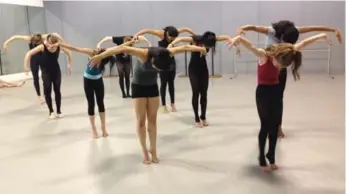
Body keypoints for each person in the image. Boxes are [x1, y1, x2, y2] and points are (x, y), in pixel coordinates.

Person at [228, 33, 332, 172]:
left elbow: (303, 44)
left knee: (275, 127)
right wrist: (239, 39)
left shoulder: (287, 51)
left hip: (276, 92)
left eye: (282, 65)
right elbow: (251, 47)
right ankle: (261, 157)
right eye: (279, 63)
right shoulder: (263, 55)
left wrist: (321, 36)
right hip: (263, 93)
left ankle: (271, 156)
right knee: (265, 126)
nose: (279, 66)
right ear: (276, 55)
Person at [89, 44, 207, 164]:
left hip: (152, 87)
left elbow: (185, 47)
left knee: (152, 120)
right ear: (152, 59)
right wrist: (100, 56)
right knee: (141, 121)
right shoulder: (143, 54)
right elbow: (122, 48)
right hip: (138, 88)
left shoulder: (167, 53)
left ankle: (153, 150)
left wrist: (201, 48)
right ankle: (145, 151)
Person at [236, 20, 343, 138]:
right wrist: (241, 29)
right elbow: (254, 27)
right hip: (267, 65)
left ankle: (278, 127)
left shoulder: (294, 32)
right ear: (281, 36)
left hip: (281, 66)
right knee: (266, 98)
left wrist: (332, 30)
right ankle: (266, 125)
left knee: (278, 98)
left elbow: (312, 28)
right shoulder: (271, 31)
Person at [168, 31, 239, 127]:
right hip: (193, 69)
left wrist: (232, 41)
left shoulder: (211, 40)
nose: (209, 48)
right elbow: (181, 39)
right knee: (196, 92)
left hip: (203, 69)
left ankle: (203, 117)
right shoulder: (195, 39)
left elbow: (224, 37)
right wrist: (171, 44)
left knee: (204, 94)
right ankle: (197, 118)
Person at [133, 26, 195, 113]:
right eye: (170, 37)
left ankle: (173, 104)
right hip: (161, 62)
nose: (171, 39)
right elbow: (147, 30)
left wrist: (195, 36)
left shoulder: (175, 32)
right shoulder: (161, 33)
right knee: (163, 83)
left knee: (171, 83)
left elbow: (185, 29)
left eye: (174, 38)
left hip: (170, 60)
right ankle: (163, 105)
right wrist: (136, 35)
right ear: (167, 34)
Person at [3, 32, 68, 104]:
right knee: (35, 77)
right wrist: (6, 42)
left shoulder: (44, 37)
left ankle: (45, 94)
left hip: (42, 57)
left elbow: (56, 35)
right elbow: (15, 36)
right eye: (35, 43)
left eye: (38, 43)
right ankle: (39, 96)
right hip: (34, 58)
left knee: (45, 77)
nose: (37, 44)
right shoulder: (29, 38)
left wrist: (64, 43)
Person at [24, 34, 72, 119]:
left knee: (57, 90)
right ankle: (51, 112)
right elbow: (29, 53)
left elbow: (69, 52)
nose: (50, 47)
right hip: (46, 72)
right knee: (47, 91)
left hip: (56, 71)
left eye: (52, 46)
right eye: (48, 44)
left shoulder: (58, 47)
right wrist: (26, 66)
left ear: (56, 44)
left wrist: (69, 64)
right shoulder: (42, 47)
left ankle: (59, 111)